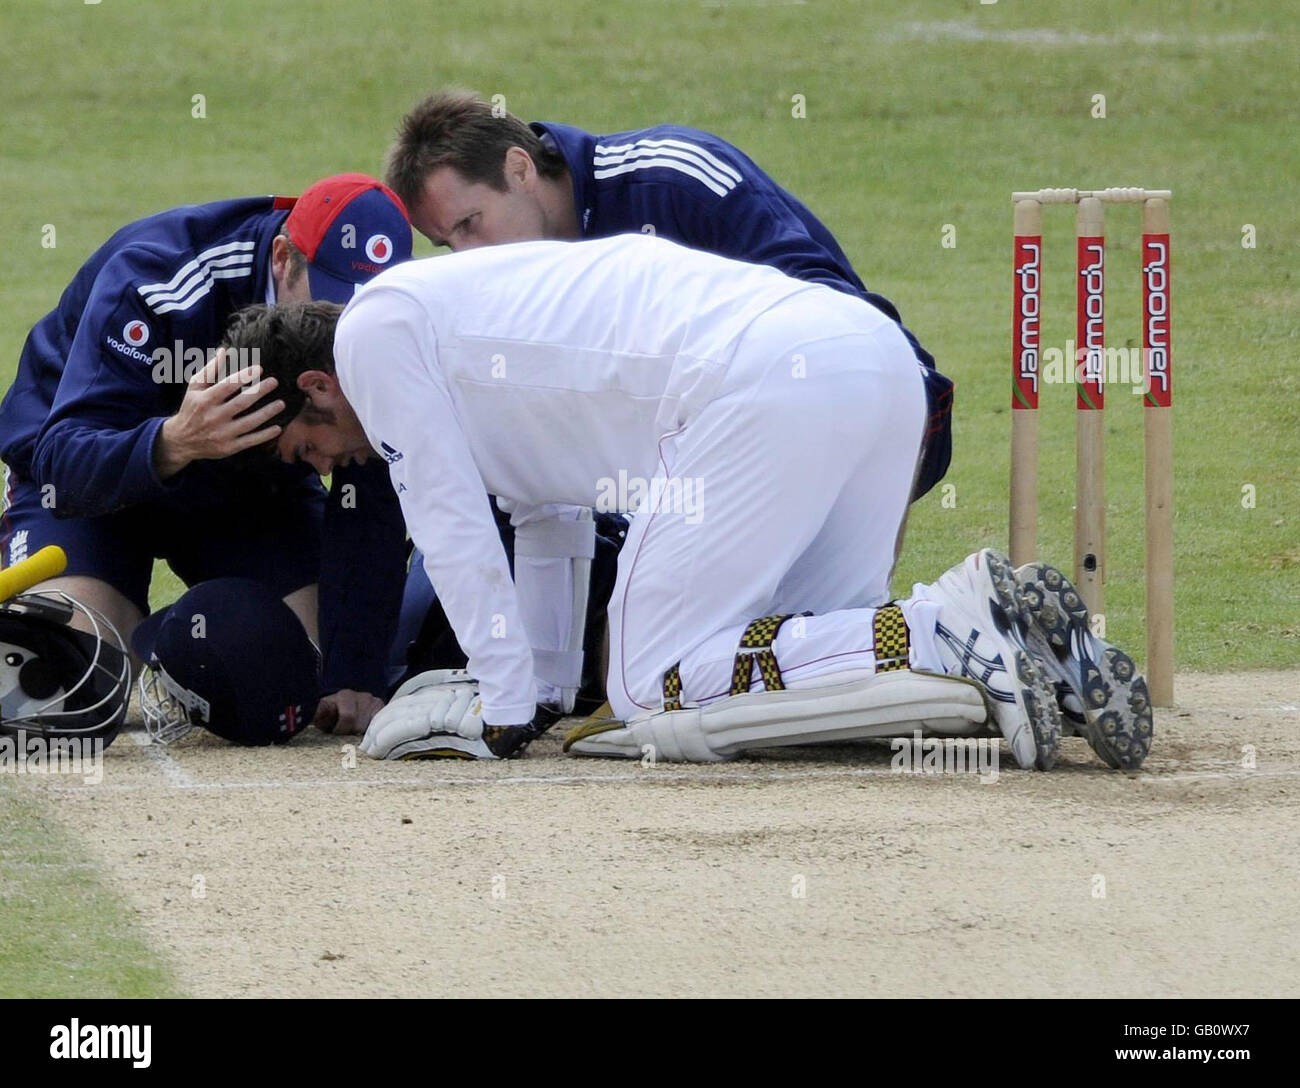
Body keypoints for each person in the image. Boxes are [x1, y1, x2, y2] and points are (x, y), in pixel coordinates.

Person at [231, 235, 1154, 770]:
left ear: (317, 384)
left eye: (306, 449)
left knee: (646, 683)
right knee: (820, 662)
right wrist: (544, 693)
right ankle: (1044, 664)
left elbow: (450, 527)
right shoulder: (441, 331)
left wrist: (500, 712)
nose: (326, 467)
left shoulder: (377, 339)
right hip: (865, 363)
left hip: (760, 383)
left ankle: (946, 622)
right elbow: (548, 522)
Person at [375, 89, 953, 704]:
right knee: (795, 676)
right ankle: (972, 641)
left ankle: (936, 633)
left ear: (520, 169)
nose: (467, 257)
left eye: (471, 224)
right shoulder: (512, 294)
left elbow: (841, 327)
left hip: (840, 415)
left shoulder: (673, 177)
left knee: (644, 676)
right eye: (447, 245)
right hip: (704, 455)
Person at [0, 174, 412, 735]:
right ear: (284, 259)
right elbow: (61, 464)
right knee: (54, 692)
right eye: (331, 301)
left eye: (362, 311)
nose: (347, 331)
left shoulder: (387, 333)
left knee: (302, 676)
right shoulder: (156, 277)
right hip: (92, 492)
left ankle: (185, 645)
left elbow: (370, 476)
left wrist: (355, 674)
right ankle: (108, 627)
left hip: (251, 496)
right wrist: (174, 441)